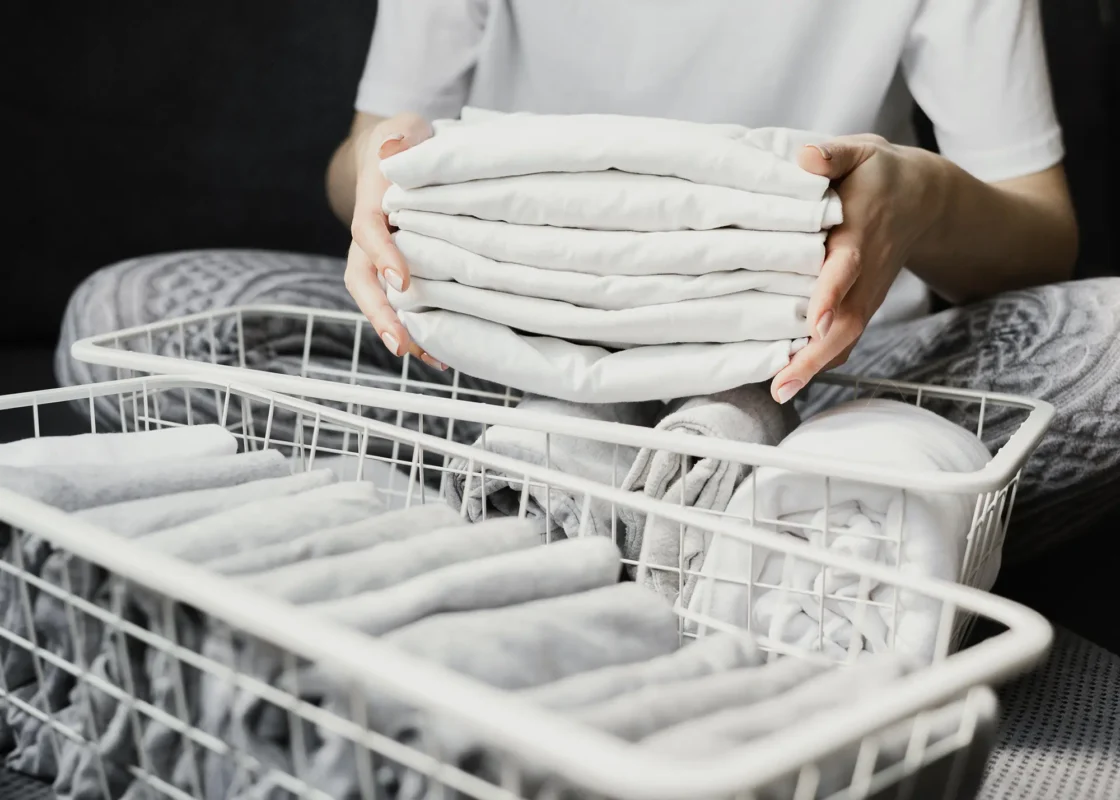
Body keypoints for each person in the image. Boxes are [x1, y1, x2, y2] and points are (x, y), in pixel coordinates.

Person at [58, 1, 1119, 564]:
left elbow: (1039, 239)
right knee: (131, 315)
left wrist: (919, 197)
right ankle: (771, 528)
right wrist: (386, 171)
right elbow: (360, 157)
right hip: (491, 337)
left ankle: (542, 501)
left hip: (825, 363)